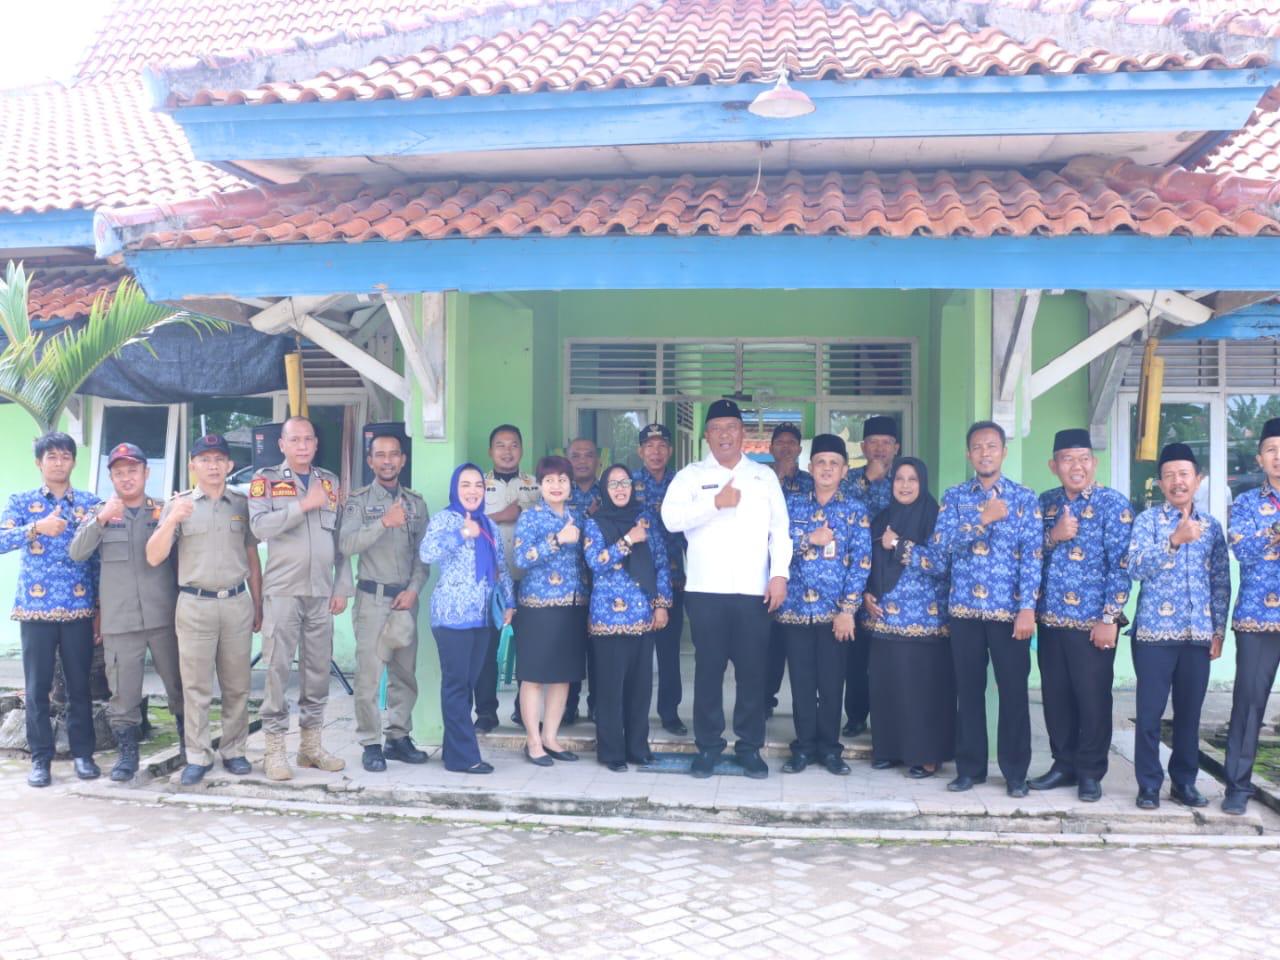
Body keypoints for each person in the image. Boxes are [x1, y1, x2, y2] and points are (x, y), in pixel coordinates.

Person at [662, 399, 791, 779]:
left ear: (742, 433)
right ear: (706, 435)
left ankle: (750, 748)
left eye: (731, 427)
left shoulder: (762, 477)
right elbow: (670, 519)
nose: (724, 435)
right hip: (706, 590)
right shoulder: (690, 476)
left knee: (752, 673)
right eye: (716, 428)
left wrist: (779, 575)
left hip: (754, 591)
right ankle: (708, 747)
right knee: (708, 671)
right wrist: (714, 503)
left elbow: (780, 530)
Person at [922, 421, 1042, 796]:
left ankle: (1015, 773)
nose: (985, 453)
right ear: (968, 454)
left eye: (991, 446)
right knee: (969, 693)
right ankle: (969, 769)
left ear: (1004, 452)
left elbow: (1032, 557)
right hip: (965, 612)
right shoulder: (956, 497)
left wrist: (1028, 609)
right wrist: (981, 520)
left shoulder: (1024, 498)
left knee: (1013, 693)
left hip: (1010, 614)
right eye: (977, 447)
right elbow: (940, 549)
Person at [146, 434, 263, 786]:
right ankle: (197, 755)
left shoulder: (241, 504)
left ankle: (234, 750)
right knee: (195, 687)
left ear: (229, 465)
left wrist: (259, 604)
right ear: (192, 465)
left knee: (237, 685)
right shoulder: (178, 504)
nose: (213, 466)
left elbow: (252, 558)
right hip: (194, 604)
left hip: (236, 603)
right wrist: (172, 520)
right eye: (205, 459)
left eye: (219, 459)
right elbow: (153, 556)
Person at [68, 442, 183, 782]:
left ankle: (189, 744)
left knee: (179, 683)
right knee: (123, 691)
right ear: (111, 478)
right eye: (119, 473)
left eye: (133, 470)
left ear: (146, 473)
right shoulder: (102, 513)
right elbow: (76, 552)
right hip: (120, 621)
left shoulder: (163, 511)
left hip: (165, 617)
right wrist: (101, 519)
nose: (127, 477)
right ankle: (127, 755)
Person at [1030, 428, 1134, 803]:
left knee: (1093, 699)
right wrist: (1053, 536)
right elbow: (1029, 554)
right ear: (1053, 465)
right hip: (1051, 621)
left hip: (1094, 624)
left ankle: (1090, 772)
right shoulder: (1046, 503)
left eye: (1083, 458)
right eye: (1067, 459)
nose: (1077, 466)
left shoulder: (1113, 505)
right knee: (1056, 697)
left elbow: (1122, 566)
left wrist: (1109, 617)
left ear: (1094, 462)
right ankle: (1064, 764)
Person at [1128, 442, 1230, 811]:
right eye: (1169, 475)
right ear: (1160, 483)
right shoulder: (1147, 522)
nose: (1177, 481)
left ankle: (1184, 783)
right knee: (1149, 714)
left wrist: (1218, 630)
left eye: (1184, 474)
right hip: (1153, 635)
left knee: (1189, 716)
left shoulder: (1212, 527)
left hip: (1197, 635)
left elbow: (1220, 582)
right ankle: (1148, 785)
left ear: (1198, 479)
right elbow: (1135, 567)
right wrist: (1173, 541)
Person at [248, 416, 349, 781]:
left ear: (316, 444)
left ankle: (311, 746)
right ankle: (274, 751)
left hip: (321, 591)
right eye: (295, 440)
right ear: (282, 445)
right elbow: (259, 527)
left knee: (317, 670)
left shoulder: (329, 482)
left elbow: (339, 539)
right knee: (277, 670)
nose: (303, 445)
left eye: (309, 439)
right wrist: (303, 505)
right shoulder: (265, 480)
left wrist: (342, 585)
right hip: (283, 590)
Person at [0, 432, 102, 788]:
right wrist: (35, 528)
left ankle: (83, 755)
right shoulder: (21, 502)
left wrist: (99, 608)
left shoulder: (90, 504)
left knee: (79, 687)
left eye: (65, 456)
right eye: (52, 457)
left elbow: (98, 560)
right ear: (39, 463)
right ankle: (40, 759)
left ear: (74, 461)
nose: (59, 463)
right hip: (35, 610)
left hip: (78, 609)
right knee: (36, 688)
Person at [775, 434, 871, 776]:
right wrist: (809, 539)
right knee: (802, 684)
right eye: (820, 463)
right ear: (810, 467)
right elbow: (777, 550)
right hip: (796, 611)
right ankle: (803, 748)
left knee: (832, 685)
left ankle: (830, 749)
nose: (827, 469)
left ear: (844, 470)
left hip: (835, 615)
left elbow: (862, 563)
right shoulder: (791, 505)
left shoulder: (855, 510)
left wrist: (848, 611)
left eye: (834, 463)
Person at [337, 431, 430, 773]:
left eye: (394, 454)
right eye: (380, 455)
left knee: (404, 675)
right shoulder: (359, 501)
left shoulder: (416, 503)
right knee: (368, 677)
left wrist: (415, 589)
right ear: (370, 461)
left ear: (402, 460)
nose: (387, 461)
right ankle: (370, 742)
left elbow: (423, 555)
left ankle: (398, 737)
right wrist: (383, 523)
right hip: (372, 600)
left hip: (405, 600)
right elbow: (346, 545)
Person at [420, 463, 515, 774]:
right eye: (466, 485)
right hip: (452, 617)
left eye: (478, 485)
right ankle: (464, 757)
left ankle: (453, 751)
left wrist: (510, 602)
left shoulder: (488, 523)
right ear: (455, 489)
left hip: (482, 617)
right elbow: (426, 553)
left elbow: (500, 567)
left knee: (468, 684)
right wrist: (462, 533)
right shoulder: (445, 519)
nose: (473, 491)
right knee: (457, 685)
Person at [863, 457, 953, 779]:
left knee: (921, 691)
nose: (904, 485)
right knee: (887, 687)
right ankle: (888, 749)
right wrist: (865, 594)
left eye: (912, 479)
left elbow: (940, 564)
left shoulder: (936, 517)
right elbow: (867, 561)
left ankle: (926, 756)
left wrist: (900, 544)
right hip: (884, 620)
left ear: (922, 482)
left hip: (925, 623)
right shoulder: (882, 518)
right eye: (899, 478)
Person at [584, 463, 672, 771]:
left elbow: (661, 564)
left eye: (625, 483)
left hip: (642, 616)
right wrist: (628, 541)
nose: (620, 489)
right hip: (608, 620)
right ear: (604, 490)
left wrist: (661, 604)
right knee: (610, 690)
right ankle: (612, 752)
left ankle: (638, 748)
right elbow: (596, 561)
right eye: (613, 484)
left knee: (640, 689)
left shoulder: (645, 520)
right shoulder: (595, 524)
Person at [512, 456, 588, 766]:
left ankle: (551, 738)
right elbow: (521, 558)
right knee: (533, 677)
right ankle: (533, 741)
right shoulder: (530, 517)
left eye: (562, 480)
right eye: (549, 480)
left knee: (562, 677)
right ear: (540, 485)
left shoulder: (578, 517)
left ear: (571, 485)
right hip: (537, 607)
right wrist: (557, 540)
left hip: (572, 606)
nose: (556, 486)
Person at [1223, 417, 1280, 816]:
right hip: (1258, 619)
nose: (1278, 457)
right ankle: (1237, 787)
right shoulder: (1245, 503)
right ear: (1260, 459)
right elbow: (1240, 550)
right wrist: (1274, 532)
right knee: (1248, 704)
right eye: (1271, 450)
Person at [476, 424, 540, 732]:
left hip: (527, 579)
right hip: (491, 581)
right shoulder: (478, 484)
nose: (507, 451)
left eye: (513, 445)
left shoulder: (535, 485)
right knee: (486, 650)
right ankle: (486, 713)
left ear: (522, 450)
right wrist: (502, 516)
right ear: (491, 451)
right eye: (500, 445)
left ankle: (522, 712)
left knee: (529, 650)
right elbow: (467, 523)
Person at [841, 415, 901, 738]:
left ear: (896, 447)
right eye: (873, 443)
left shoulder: (905, 479)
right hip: (854, 578)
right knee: (856, 655)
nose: (879, 449)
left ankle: (886, 721)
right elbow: (843, 515)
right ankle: (855, 716)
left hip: (892, 579)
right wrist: (869, 480)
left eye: (885, 443)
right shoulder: (848, 479)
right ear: (863, 447)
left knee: (888, 657)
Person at [631, 423, 688, 736]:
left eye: (662, 446)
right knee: (635, 654)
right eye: (650, 446)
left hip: (674, 580)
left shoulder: (682, 483)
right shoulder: (627, 483)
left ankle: (670, 712)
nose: (656, 452)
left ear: (670, 450)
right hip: (636, 583)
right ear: (640, 451)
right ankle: (633, 712)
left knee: (668, 653)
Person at [765, 423, 811, 718]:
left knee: (800, 652)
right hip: (763, 577)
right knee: (767, 647)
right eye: (779, 442)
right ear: (770, 448)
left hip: (801, 582)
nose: (785, 447)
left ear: (799, 448)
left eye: (791, 442)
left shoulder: (810, 483)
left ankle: (806, 708)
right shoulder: (760, 480)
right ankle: (764, 700)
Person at [564, 437, 601, 724]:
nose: (582, 461)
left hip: (602, 584)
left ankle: (598, 705)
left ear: (598, 460)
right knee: (571, 647)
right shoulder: (560, 493)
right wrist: (587, 516)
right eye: (576, 456)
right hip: (570, 583)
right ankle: (568, 706)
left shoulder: (608, 492)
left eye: (588, 455)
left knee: (599, 649)